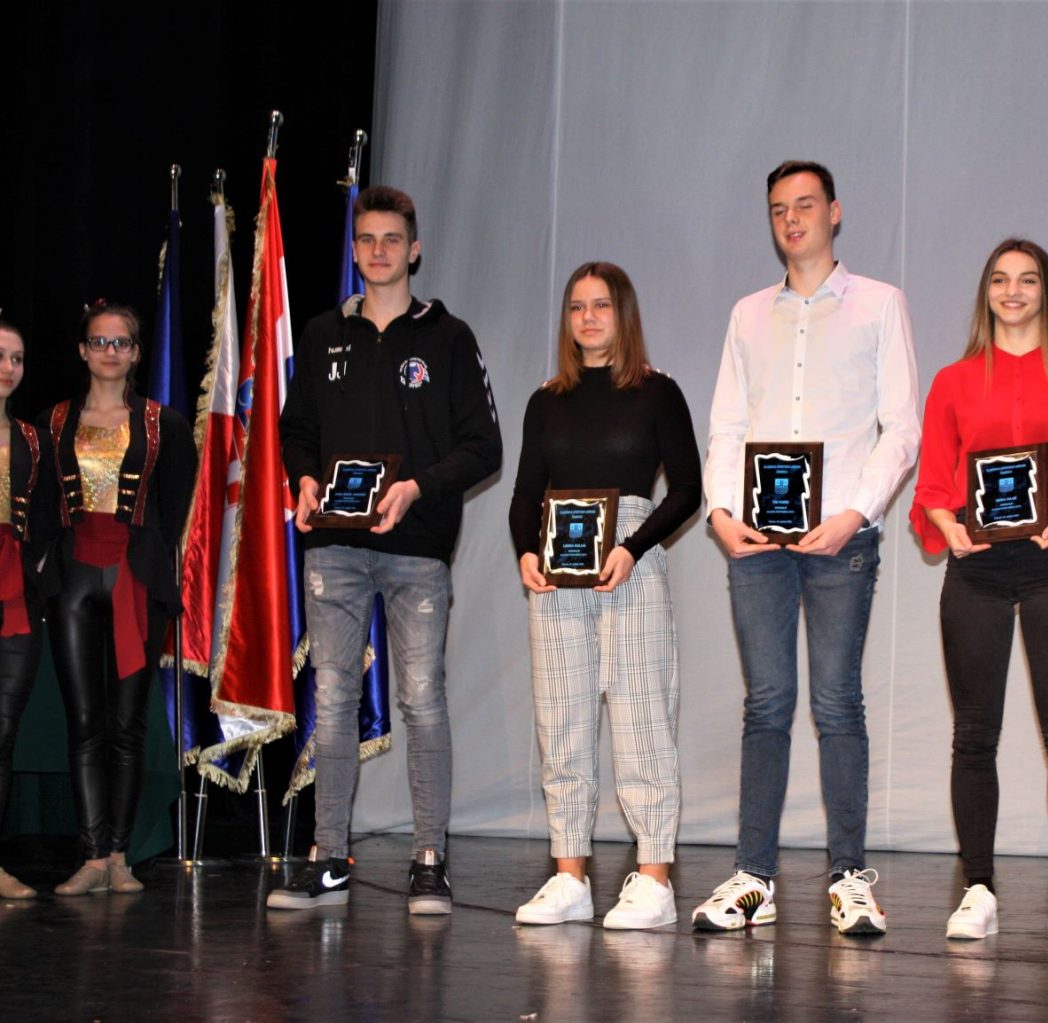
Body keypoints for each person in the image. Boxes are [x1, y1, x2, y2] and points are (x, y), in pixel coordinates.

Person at [691, 160, 920, 935]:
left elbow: (902, 427)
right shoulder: (748, 314)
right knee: (766, 704)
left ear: (835, 212)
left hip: (840, 541)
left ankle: (849, 877)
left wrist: (856, 511)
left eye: (806, 205)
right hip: (756, 541)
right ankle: (753, 877)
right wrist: (721, 512)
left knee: (836, 702)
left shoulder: (880, 304)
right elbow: (726, 424)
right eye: (779, 209)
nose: (792, 219)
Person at [272, 185, 502, 914]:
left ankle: (429, 859)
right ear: (355, 249)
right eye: (367, 239)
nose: (378, 251)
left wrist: (416, 489)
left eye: (392, 239)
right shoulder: (322, 334)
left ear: (415, 249)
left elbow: (484, 446)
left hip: (417, 546)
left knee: (422, 698)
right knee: (334, 698)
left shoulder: (449, 337)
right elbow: (296, 430)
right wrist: (306, 479)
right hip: (333, 546)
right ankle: (329, 857)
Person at [911, 239, 1048, 942]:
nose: (1012, 291)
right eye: (1000, 280)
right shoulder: (952, 381)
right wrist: (947, 524)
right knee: (974, 736)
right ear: (986, 292)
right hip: (975, 569)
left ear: (1046, 291)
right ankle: (977, 887)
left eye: (1027, 280)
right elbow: (933, 485)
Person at [507, 262, 700, 930]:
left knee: (643, 715)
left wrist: (633, 546)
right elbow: (525, 492)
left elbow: (687, 489)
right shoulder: (546, 400)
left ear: (624, 314)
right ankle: (570, 877)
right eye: (577, 307)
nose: (588, 318)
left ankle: (654, 880)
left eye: (601, 306)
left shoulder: (656, 392)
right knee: (561, 719)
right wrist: (526, 552)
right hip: (557, 566)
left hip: (629, 560)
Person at [40, 302, 196, 895]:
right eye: (99, 342)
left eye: (121, 343)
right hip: (75, 576)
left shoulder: (164, 423)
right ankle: (91, 856)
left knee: (128, 723)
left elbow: (175, 506)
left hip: (136, 579)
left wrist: (152, 566)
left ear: (135, 353)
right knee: (84, 722)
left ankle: (121, 857)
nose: (110, 352)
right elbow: (41, 502)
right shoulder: (53, 422)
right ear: (82, 351)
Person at [0, 319, 51, 899]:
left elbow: (46, 518)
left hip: (15, 593)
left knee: (3, 731)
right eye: (0, 355)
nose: (9, 368)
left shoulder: (32, 440)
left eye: (17, 358)